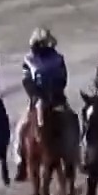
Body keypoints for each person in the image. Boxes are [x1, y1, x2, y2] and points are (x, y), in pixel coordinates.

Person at [16, 27, 69, 182]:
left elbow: (62, 78)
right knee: (21, 129)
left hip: (57, 99)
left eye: (40, 44)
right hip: (36, 100)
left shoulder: (58, 59)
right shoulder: (28, 60)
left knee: (71, 124)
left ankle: (73, 157)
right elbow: (27, 81)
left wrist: (54, 92)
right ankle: (21, 162)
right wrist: (37, 95)